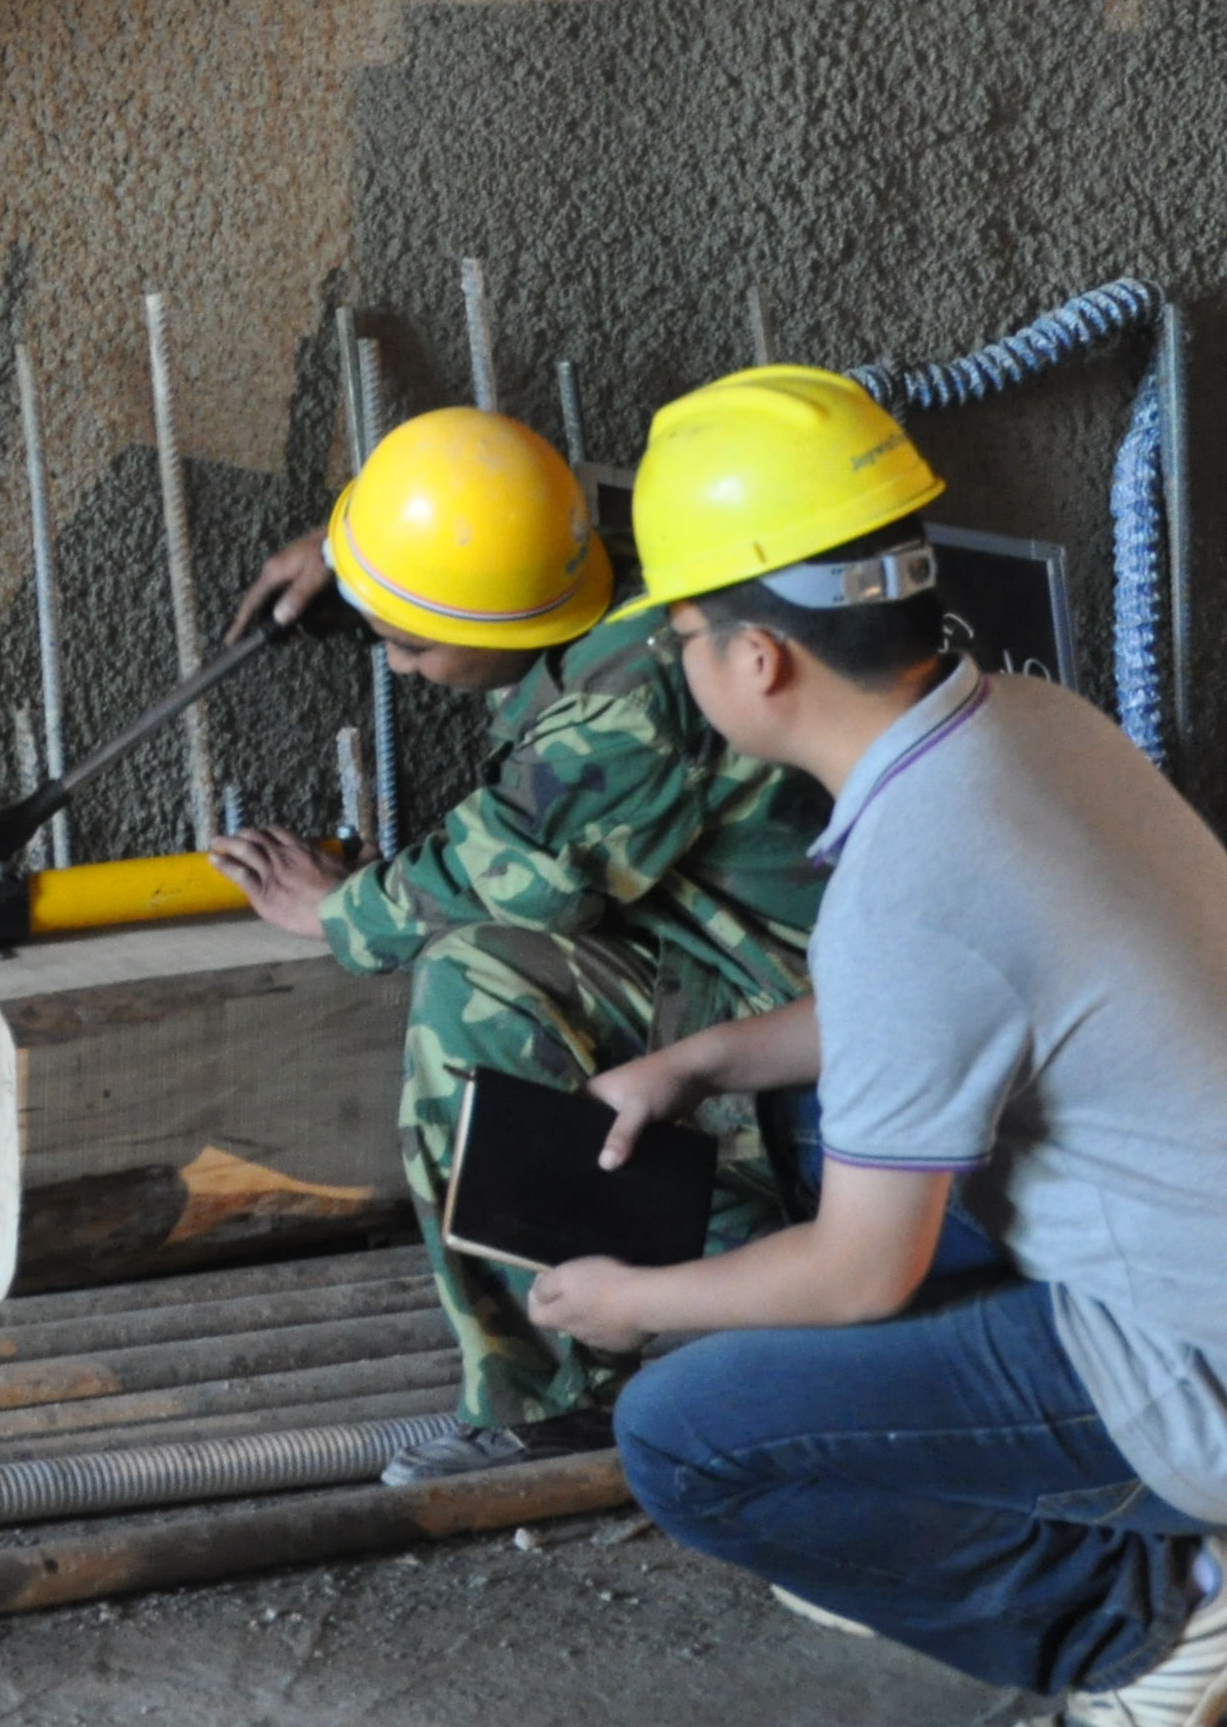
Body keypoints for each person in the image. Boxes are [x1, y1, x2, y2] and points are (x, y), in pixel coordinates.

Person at [534, 366, 1227, 1727]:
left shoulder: (914, 874)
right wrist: (698, 1063)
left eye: (684, 632)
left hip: (1219, 1388)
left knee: (689, 1437)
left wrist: (639, 1301)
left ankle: (1158, 1621)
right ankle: (925, 1528)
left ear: (757, 661)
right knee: (834, 1136)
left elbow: (855, 1271)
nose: (682, 663)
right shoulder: (1028, 730)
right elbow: (942, 1009)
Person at [205, 401, 832, 1436]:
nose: (395, 664)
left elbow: (509, 869)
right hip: (710, 942)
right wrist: (353, 554)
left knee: (474, 984)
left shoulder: (628, 701)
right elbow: (493, 510)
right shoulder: (623, 549)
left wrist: (336, 910)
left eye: (408, 642)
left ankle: (557, 1394)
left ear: (500, 620)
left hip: (795, 1020)